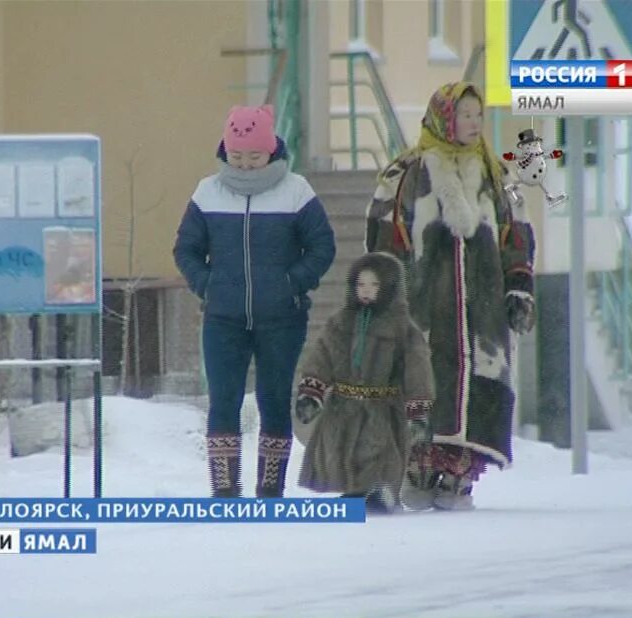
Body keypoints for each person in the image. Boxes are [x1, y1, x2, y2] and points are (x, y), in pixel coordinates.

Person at [364, 82, 537, 510]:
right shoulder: (403, 175)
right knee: (422, 385)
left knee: (478, 382)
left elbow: (518, 234)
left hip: (483, 316)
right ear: (444, 119)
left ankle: (459, 479)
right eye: (465, 116)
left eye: (479, 116)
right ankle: (417, 473)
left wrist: (518, 285)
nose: (474, 124)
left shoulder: (498, 177)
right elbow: (382, 239)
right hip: (424, 314)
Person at [173, 104, 336, 498]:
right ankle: (225, 489)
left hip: (282, 319)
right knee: (223, 401)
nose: (245, 165)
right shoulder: (207, 192)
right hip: (223, 319)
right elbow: (185, 250)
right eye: (237, 156)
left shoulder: (296, 190)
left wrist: (292, 283)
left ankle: (270, 488)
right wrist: (207, 285)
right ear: (226, 152)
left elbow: (322, 246)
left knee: (274, 399)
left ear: (271, 151)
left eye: (254, 156)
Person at [294, 252, 435, 514]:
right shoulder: (341, 322)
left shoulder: (402, 328)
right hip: (344, 405)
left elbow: (417, 369)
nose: (366, 292)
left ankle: (380, 492)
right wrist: (312, 392)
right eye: (361, 285)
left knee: (379, 452)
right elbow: (323, 356)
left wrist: (418, 409)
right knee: (346, 452)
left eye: (374, 285)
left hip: (382, 404)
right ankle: (355, 491)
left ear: (389, 288)